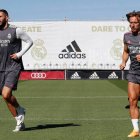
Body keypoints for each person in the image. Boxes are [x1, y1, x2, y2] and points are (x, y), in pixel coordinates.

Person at [0, 9, 33, 132]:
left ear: (7, 17)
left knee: (6, 94)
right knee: (5, 97)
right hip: (0, 68)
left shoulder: (16, 30)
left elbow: (30, 41)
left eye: (0, 16)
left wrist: (19, 54)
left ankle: (19, 109)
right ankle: (19, 121)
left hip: (13, 66)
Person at [120, 10, 140, 137]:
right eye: (130, 23)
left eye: (135, 23)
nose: (132, 25)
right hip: (134, 72)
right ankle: (136, 130)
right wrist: (123, 62)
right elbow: (126, 51)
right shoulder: (126, 36)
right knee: (132, 101)